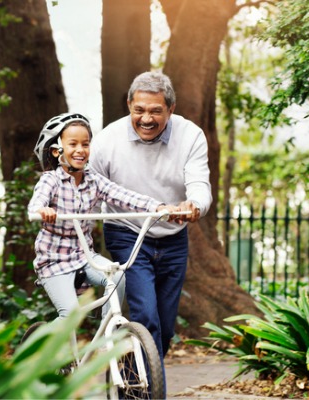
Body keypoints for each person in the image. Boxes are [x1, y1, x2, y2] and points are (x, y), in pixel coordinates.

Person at [89, 71, 212, 394]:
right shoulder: (106, 141)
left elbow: (199, 181)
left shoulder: (190, 135)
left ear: (170, 109)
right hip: (127, 231)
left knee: (166, 328)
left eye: (155, 111)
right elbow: (88, 191)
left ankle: (135, 383)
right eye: (139, 109)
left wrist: (195, 204)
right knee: (146, 315)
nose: (146, 118)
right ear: (129, 104)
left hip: (173, 235)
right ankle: (149, 395)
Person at [28, 112, 179, 320]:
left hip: (84, 257)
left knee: (117, 275)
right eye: (73, 144)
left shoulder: (94, 181)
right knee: (70, 316)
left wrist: (159, 207)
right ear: (56, 151)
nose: (80, 150)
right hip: (54, 261)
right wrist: (42, 211)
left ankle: (106, 338)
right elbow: (36, 205)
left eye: (85, 144)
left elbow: (124, 196)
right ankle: (42, 349)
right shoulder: (50, 181)